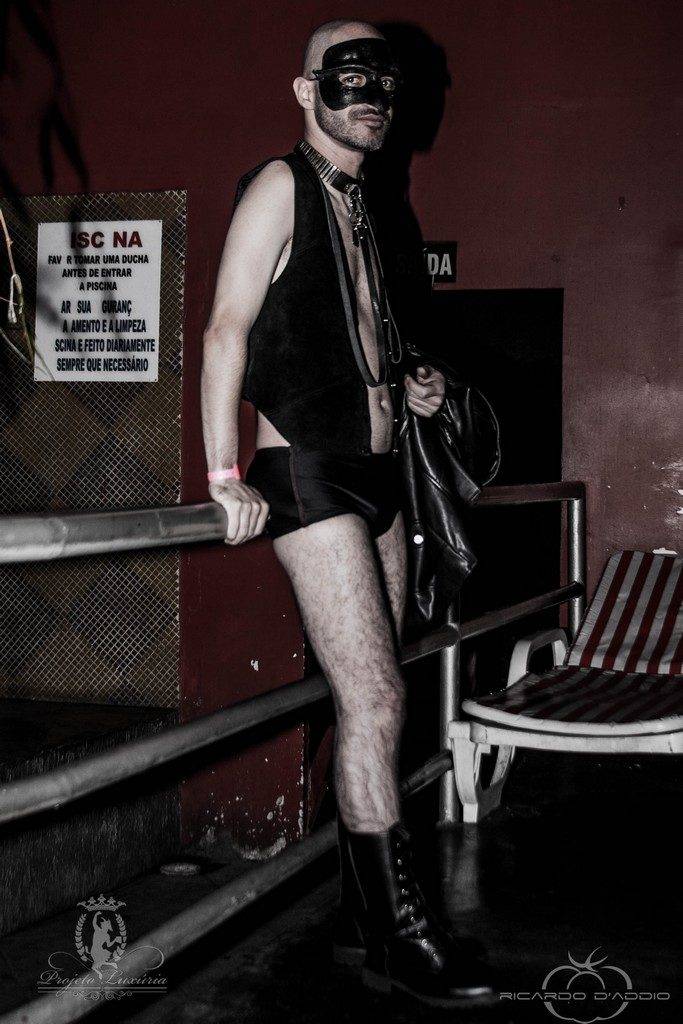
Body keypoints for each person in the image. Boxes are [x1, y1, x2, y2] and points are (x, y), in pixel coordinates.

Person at [201, 18, 497, 1008]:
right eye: (348, 76)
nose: (370, 94)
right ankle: (401, 937)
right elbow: (226, 328)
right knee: (374, 700)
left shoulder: (371, 202)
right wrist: (222, 471)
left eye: (384, 80)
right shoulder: (280, 184)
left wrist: (412, 381)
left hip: (375, 474)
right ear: (306, 90)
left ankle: (355, 915)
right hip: (309, 471)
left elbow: (362, 330)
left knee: (372, 693)